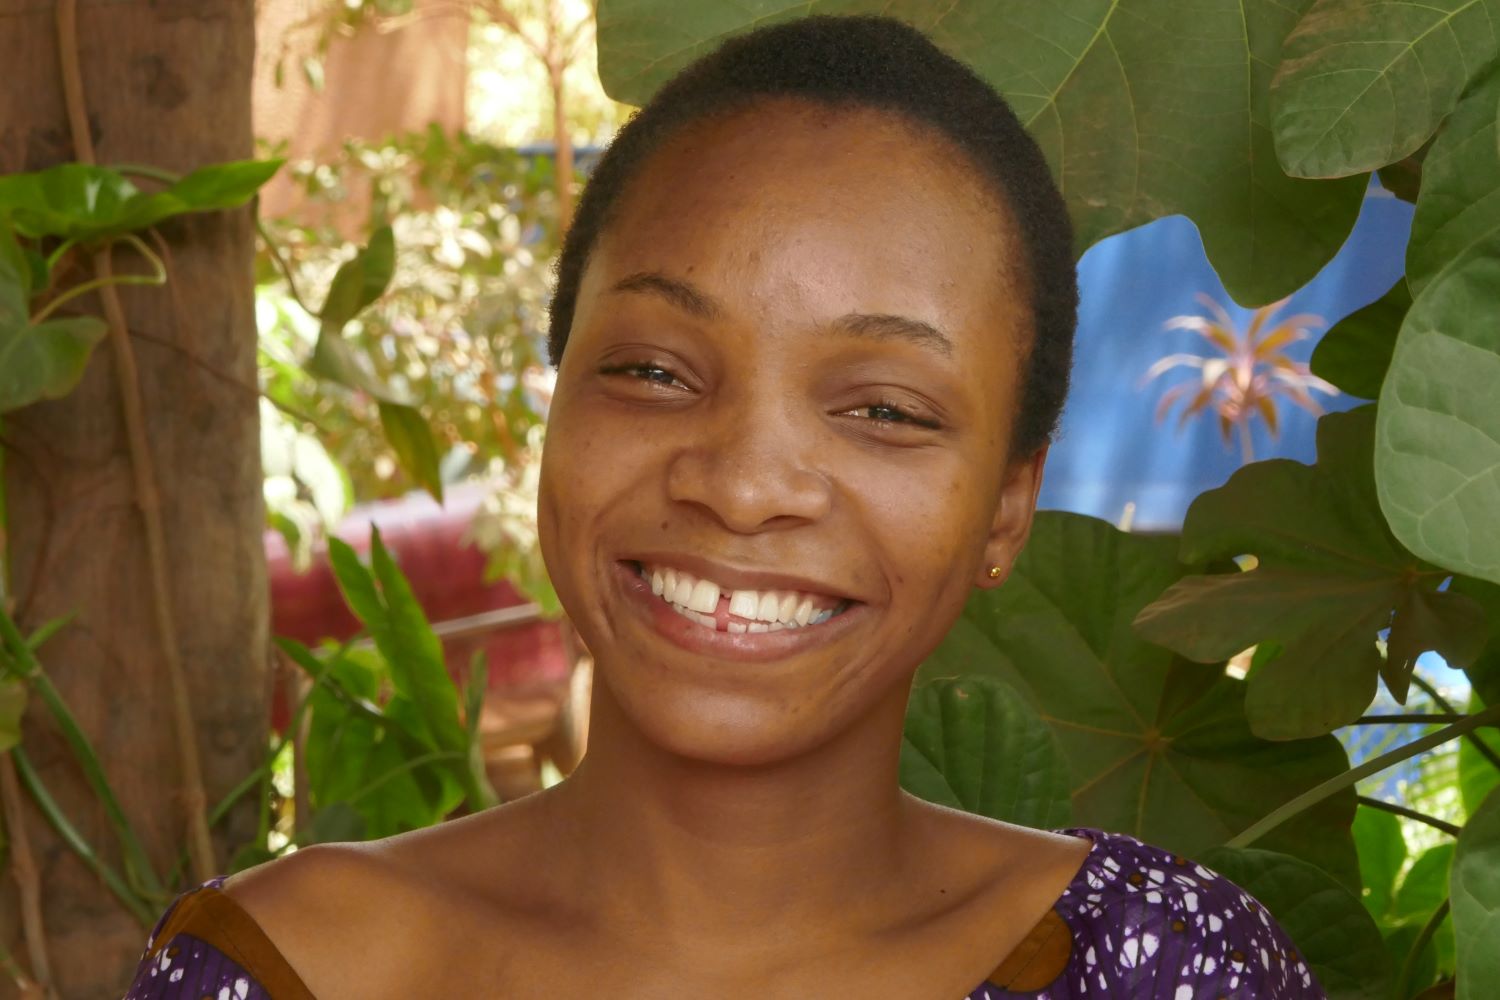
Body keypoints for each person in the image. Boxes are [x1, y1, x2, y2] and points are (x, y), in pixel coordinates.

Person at [125, 15, 1323, 999]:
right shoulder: (288, 968)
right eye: (652, 371)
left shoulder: (1167, 967)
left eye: (885, 410)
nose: (744, 486)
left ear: (1010, 504)